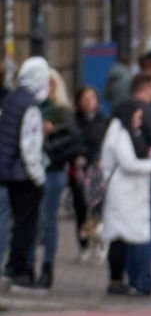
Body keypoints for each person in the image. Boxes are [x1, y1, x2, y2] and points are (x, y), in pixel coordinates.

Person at [0, 56, 49, 289]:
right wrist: (38, 178)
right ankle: (20, 269)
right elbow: (30, 146)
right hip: (25, 174)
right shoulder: (30, 106)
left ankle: (15, 266)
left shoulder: (11, 99)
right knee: (25, 225)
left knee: (17, 222)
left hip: (10, 171)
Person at [100, 97, 151, 296]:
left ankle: (119, 280)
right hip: (122, 194)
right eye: (137, 117)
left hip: (126, 193)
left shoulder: (123, 132)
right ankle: (120, 281)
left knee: (121, 237)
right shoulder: (120, 135)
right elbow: (129, 164)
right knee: (120, 236)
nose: (139, 122)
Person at [34, 68, 82, 289]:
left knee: (48, 221)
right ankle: (26, 265)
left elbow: (73, 142)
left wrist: (49, 139)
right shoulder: (32, 108)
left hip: (53, 171)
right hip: (31, 171)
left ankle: (47, 268)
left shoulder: (62, 112)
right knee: (32, 221)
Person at [73, 85, 111, 262]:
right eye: (85, 98)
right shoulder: (74, 121)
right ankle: (84, 244)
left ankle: (101, 242)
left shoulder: (105, 121)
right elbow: (71, 143)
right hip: (81, 171)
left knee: (99, 209)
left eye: (92, 98)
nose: (88, 102)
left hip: (99, 172)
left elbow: (107, 145)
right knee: (81, 209)